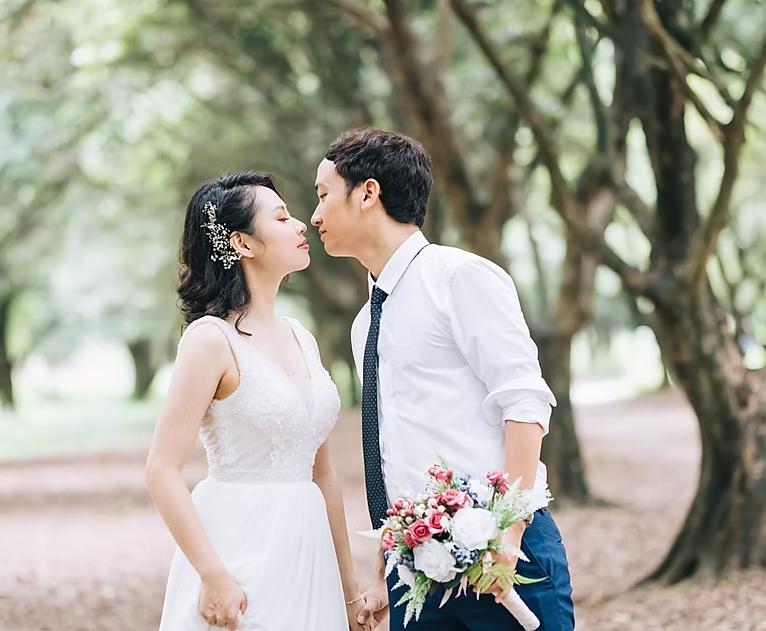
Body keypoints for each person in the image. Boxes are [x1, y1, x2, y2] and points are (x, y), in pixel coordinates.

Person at [311, 128, 575, 630]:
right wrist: (383, 572)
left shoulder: (459, 277)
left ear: (368, 193)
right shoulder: (366, 321)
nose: (316, 215)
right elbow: (392, 452)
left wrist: (508, 535)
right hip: (415, 574)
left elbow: (524, 402)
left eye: (324, 195)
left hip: (502, 560)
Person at [146, 172, 365, 630]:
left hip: (308, 557)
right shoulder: (210, 340)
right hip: (238, 548)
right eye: (282, 217)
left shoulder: (302, 339)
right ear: (243, 244)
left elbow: (324, 477)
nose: (302, 224)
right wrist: (213, 575)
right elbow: (161, 470)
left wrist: (347, 592)